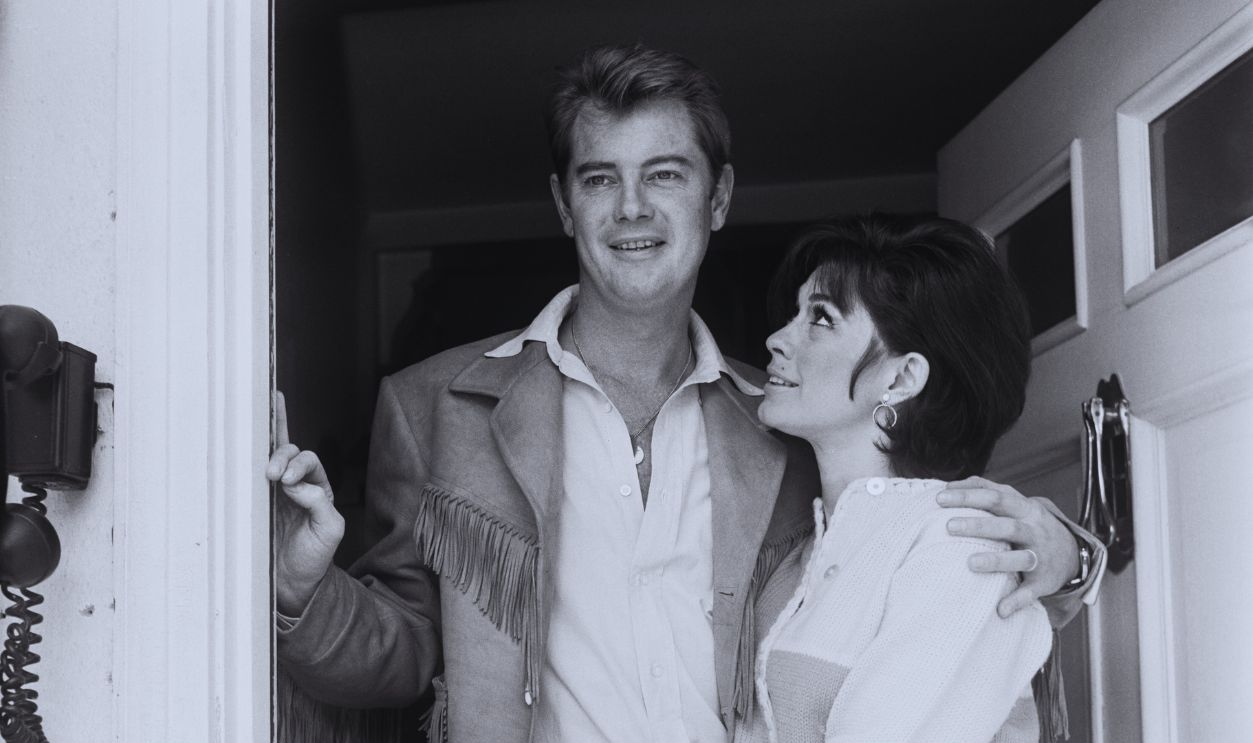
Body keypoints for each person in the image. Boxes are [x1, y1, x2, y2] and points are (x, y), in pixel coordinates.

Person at [268, 45, 1103, 743]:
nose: (632, 207)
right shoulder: (434, 406)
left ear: (719, 197)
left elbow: (911, 545)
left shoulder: (785, 419)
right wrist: (302, 587)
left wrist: (1070, 559)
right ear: (565, 204)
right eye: (599, 179)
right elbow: (405, 648)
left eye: (665, 174)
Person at [739, 214, 1076, 742]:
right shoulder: (798, 553)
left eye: (821, 318)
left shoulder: (958, 543)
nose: (778, 338)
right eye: (795, 312)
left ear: (901, 377)